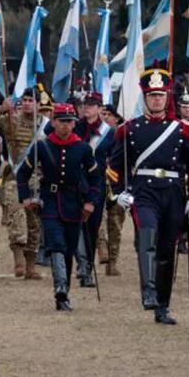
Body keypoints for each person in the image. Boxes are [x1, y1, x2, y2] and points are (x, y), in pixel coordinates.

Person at [106, 67, 189, 325]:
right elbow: (114, 165)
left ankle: (162, 306)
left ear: (167, 97)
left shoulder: (181, 130)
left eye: (161, 95)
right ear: (144, 97)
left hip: (173, 193)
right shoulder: (130, 129)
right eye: (152, 95)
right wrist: (119, 193)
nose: (156, 100)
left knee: (166, 249)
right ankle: (149, 292)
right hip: (144, 191)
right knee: (147, 238)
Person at [17, 102, 102, 311]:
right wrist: (25, 197)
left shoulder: (82, 148)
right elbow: (22, 173)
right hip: (50, 202)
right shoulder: (42, 146)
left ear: (74, 124)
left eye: (69, 122)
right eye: (61, 121)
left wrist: (91, 202)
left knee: (69, 249)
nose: (65, 126)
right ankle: (60, 287)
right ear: (53, 122)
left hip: (75, 203)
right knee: (56, 244)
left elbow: (96, 178)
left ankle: (64, 295)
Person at [0, 89, 44, 279]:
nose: (26, 104)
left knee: (34, 224)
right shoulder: (10, 121)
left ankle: (31, 265)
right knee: (16, 218)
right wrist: (1, 109)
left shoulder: (46, 126)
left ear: (38, 104)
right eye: (24, 100)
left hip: (38, 180)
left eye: (31, 100)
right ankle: (19, 260)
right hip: (14, 179)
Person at [73, 92, 113, 288]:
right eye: (84, 104)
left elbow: (115, 158)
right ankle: (81, 264)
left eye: (91, 105)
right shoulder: (74, 127)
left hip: (95, 185)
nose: (86, 108)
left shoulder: (109, 133)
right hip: (73, 183)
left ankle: (87, 267)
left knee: (91, 228)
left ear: (99, 108)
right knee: (74, 225)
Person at [97, 106, 126, 276]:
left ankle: (112, 261)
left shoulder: (123, 136)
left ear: (117, 118)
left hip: (117, 184)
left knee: (115, 224)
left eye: (109, 115)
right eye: (104, 114)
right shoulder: (96, 135)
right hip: (99, 182)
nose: (106, 117)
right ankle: (102, 247)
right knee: (98, 220)